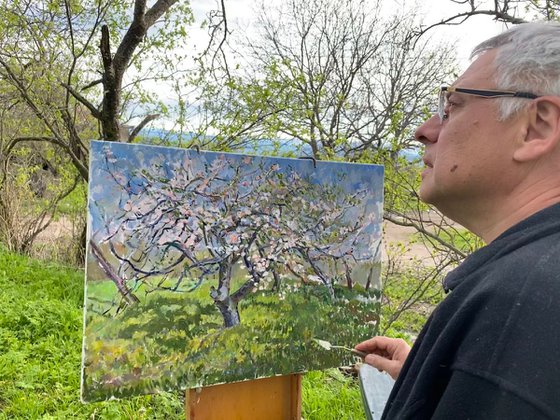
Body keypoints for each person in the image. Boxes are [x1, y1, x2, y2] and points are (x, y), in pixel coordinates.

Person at [356, 21, 560, 419]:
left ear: (537, 127)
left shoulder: (521, 307)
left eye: (452, 108)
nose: (424, 131)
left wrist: (488, 368)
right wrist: (441, 377)